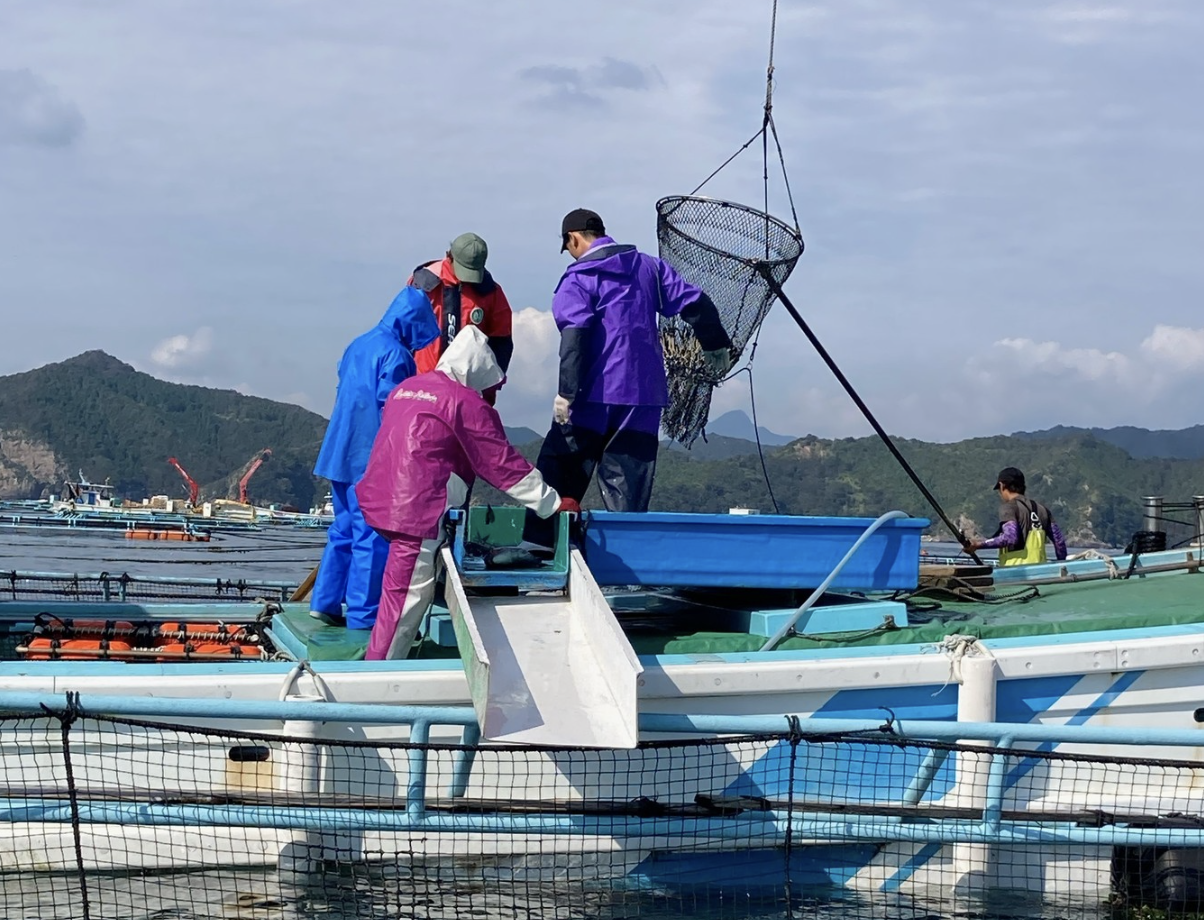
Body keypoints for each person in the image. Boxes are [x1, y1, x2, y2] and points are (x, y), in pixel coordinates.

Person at [356, 326, 580, 660]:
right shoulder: (464, 402)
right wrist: (551, 503)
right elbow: (502, 464)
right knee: (405, 597)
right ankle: (377, 677)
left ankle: (384, 652)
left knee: (396, 583)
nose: (489, 394)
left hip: (379, 499)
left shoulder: (408, 388)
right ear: (477, 372)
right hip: (418, 510)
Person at [522, 208, 733, 549]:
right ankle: (627, 565)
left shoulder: (578, 278)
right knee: (628, 489)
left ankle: (539, 547)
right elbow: (695, 301)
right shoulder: (649, 267)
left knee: (560, 467)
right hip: (643, 397)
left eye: (570, 246)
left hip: (593, 394)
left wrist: (566, 392)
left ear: (573, 239)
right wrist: (715, 343)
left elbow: (574, 338)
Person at [310, 286, 441, 628]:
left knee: (342, 529)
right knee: (371, 535)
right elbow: (393, 408)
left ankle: (324, 601)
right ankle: (364, 616)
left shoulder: (358, 344)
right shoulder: (397, 355)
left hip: (339, 449)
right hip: (369, 456)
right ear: (412, 324)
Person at [409, 233, 514, 395]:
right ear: (449, 256)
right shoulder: (422, 284)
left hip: (470, 393)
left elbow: (502, 342)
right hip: (423, 387)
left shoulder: (491, 292)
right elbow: (404, 333)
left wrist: (489, 386)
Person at [965, 466, 1068, 566]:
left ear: (1002, 485)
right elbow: (1059, 542)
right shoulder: (1043, 510)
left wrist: (978, 545)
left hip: (1015, 573)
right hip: (1039, 573)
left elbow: (1010, 538)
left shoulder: (1008, 507)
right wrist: (1061, 565)